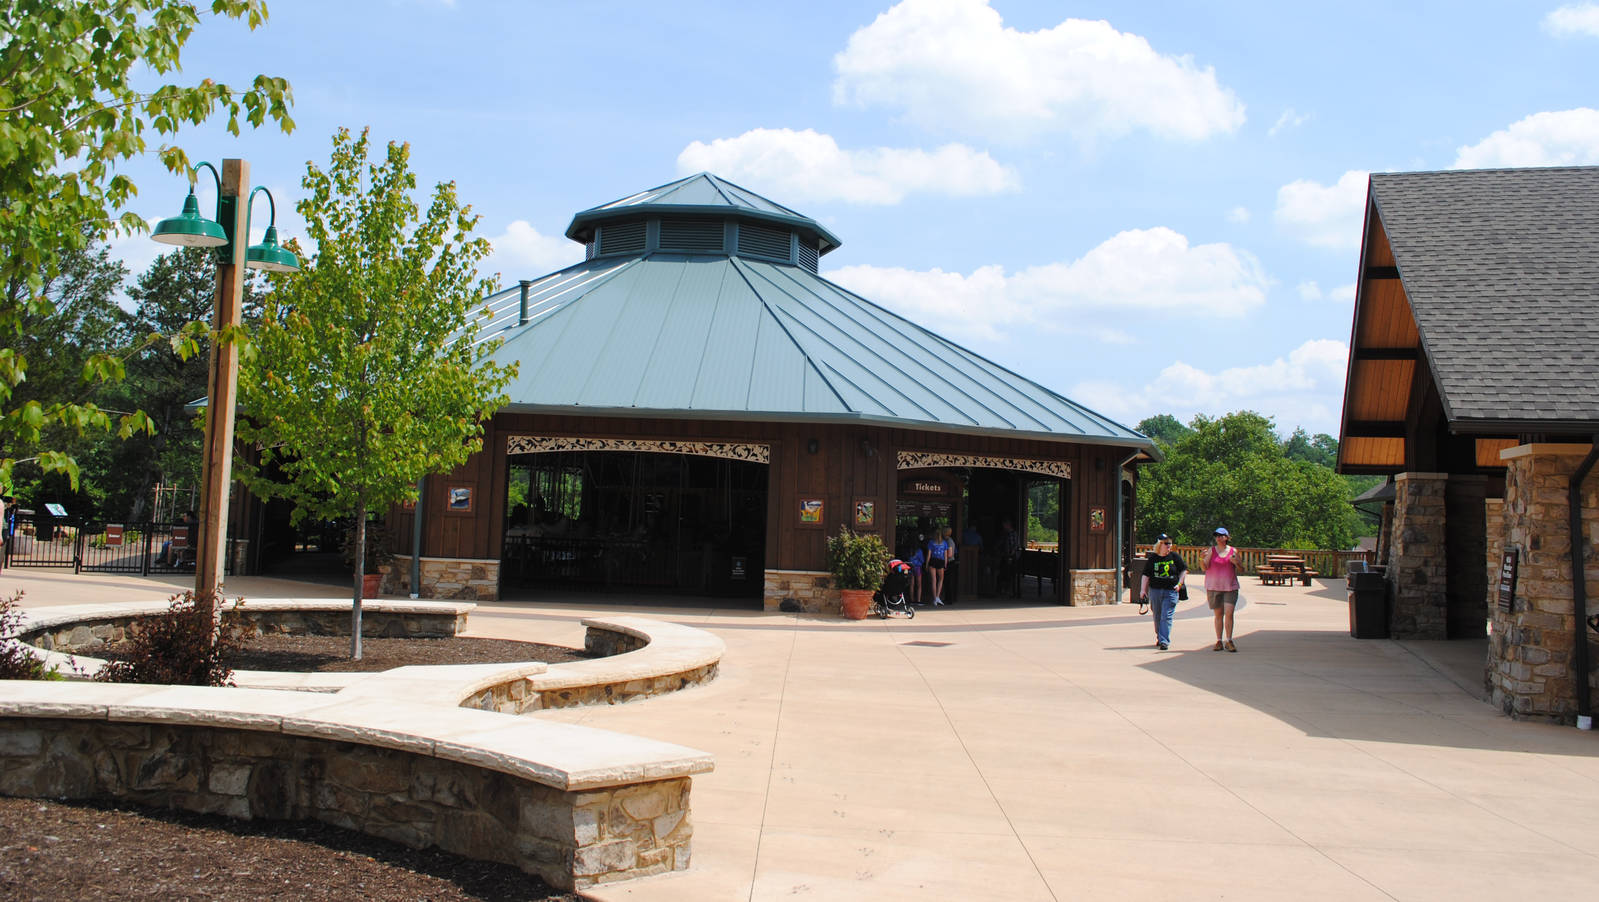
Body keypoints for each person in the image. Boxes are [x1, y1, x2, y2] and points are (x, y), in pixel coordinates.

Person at [1139, 534, 1188, 650]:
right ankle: (1160, 636)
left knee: (1166, 616)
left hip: (1171, 591)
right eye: (1166, 543)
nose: (1169, 546)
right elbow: (1146, 575)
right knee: (1157, 616)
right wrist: (1142, 590)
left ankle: (1164, 640)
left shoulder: (1174, 557)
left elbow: (1183, 570)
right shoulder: (1153, 559)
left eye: (1170, 543)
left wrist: (1180, 584)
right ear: (1160, 544)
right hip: (1155, 590)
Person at [1201, 527, 1242, 652]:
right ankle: (1219, 640)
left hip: (1230, 586)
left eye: (1221, 535)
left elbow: (1241, 569)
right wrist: (1201, 558)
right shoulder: (1211, 551)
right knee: (1218, 614)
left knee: (1229, 614)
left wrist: (1236, 563)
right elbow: (1204, 567)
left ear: (1227, 537)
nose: (1218, 537)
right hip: (1214, 587)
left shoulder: (1233, 551)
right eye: (1217, 535)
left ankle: (1229, 640)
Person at [925, 526, 954, 605]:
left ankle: (934, 599)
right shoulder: (944, 543)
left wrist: (926, 564)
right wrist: (945, 564)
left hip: (933, 560)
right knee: (940, 579)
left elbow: (929, 555)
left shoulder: (931, 542)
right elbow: (945, 555)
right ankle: (938, 597)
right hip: (940, 561)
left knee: (933, 580)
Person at [998, 519, 1022, 596]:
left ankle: (1010, 590)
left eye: (1004, 525)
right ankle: (1004, 589)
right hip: (1005, 556)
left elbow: (1015, 546)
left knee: (1010, 573)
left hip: (1012, 557)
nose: (1003, 527)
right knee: (1003, 572)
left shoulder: (1013, 534)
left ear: (1008, 525)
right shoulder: (1005, 534)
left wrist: (1011, 555)